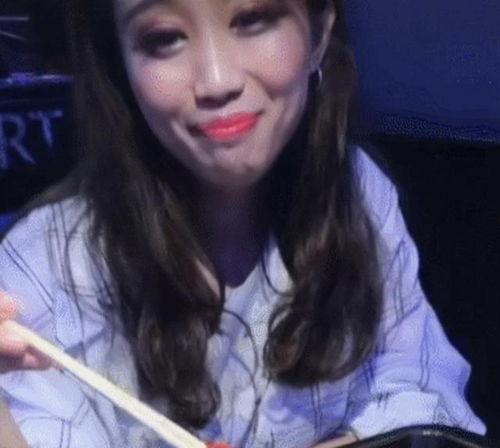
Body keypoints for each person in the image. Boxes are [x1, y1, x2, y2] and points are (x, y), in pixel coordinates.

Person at [0, 0, 486, 446]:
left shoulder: (359, 193)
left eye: (253, 19)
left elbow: (418, 390)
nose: (217, 80)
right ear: (121, 64)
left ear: (319, 32)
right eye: (164, 38)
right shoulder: (41, 271)